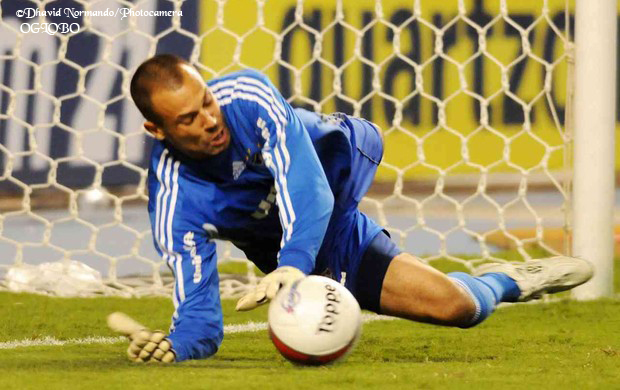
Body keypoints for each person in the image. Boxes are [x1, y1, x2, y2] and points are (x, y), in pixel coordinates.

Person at [121, 54, 593, 363]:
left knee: (309, 177)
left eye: (206, 101)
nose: (210, 120)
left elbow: (305, 187)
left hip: (338, 159)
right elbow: (200, 317)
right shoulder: (174, 205)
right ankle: (509, 280)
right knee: (456, 307)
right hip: (318, 240)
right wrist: (175, 346)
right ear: (156, 130)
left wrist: (292, 263)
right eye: (188, 119)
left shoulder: (247, 95)